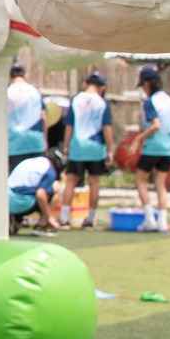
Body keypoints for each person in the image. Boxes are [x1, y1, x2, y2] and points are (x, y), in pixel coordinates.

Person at [60, 71, 111, 229]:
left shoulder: (76, 100)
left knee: (71, 181)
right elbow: (107, 128)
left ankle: (64, 218)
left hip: (77, 147)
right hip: (96, 147)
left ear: (85, 84)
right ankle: (90, 219)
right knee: (94, 182)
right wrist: (110, 149)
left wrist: (66, 146)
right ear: (102, 87)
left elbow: (69, 126)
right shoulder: (102, 103)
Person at [131, 64, 170, 231]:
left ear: (146, 83)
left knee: (140, 179)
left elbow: (155, 125)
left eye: (143, 86)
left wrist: (138, 139)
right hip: (169, 148)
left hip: (152, 147)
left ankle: (149, 219)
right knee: (160, 183)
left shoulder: (150, 102)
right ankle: (162, 222)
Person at [8, 150, 62, 235]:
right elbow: (40, 194)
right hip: (20, 202)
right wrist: (49, 217)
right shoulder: (49, 169)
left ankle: (15, 220)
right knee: (55, 187)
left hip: (5, 202)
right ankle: (42, 225)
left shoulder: (28, 161)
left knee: (27, 191)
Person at [7, 59, 46, 170]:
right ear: (24, 75)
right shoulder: (35, 92)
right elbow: (43, 117)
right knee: (36, 176)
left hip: (15, 144)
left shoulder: (8, 92)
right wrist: (45, 140)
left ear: (10, 76)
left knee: (17, 178)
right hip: (36, 142)